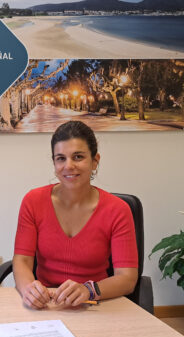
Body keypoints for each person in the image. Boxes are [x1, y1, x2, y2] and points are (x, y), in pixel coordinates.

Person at [13, 120, 138, 309]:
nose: (68, 166)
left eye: (78, 157)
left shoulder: (118, 210)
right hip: (47, 305)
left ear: (95, 161)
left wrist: (88, 290)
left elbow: (127, 279)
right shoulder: (33, 201)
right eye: (61, 158)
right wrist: (29, 289)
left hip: (96, 305)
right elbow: (22, 260)